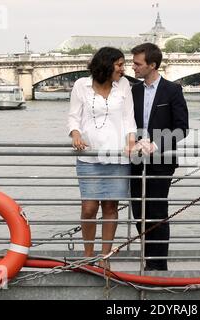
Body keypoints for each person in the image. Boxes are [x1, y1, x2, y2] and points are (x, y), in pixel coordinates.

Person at [67, 47, 137, 269]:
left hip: (117, 156)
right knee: (89, 207)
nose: (123, 69)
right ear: (106, 65)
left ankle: (105, 258)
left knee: (110, 207)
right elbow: (73, 116)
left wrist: (131, 141)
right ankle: (88, 256)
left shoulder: (124, 85)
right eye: (119, 65)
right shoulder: (81, 85)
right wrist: (75, 134)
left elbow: (128, 118)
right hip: (88, 156)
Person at [130, 43, 189, 271]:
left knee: (156, 211)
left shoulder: (172, 91)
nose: (133, 67)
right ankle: (148, 260)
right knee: (138, 211)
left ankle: (159, 266)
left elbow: (182, 128)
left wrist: (155, 144)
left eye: (137, 63)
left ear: (152, 65)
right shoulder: (132, 91)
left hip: (161, 160)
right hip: (134, 159)